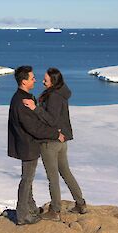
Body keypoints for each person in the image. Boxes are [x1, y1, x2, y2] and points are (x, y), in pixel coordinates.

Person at [23, 67, 87, 221]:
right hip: (61, 141)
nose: (42, 80)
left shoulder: (53, 96)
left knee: (53, 177)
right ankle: (80, 204)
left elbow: (51, 119)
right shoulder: (61, 93)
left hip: (50, 141)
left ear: (53, 81)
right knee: (65, 172)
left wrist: (34, 108)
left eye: (46, 78)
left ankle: (55, 211)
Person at [8, 65, 65, 225]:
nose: (35, 80)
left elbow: (36, 122)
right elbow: (33, 127)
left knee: (28, 179)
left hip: (27, 143)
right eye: (32, 78)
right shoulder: (22, 101)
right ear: (24, 81)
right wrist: (55, 134)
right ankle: (22, 215)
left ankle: (31, 208)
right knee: (26, 180)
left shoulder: (24, 97)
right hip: (27, 144)